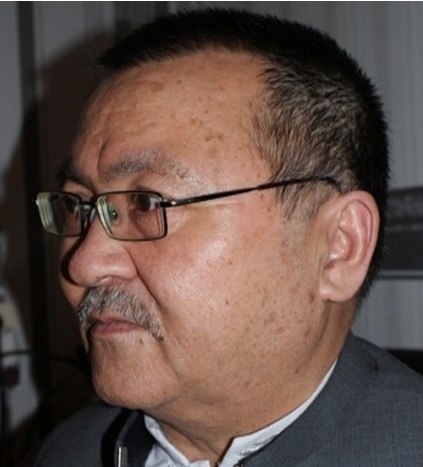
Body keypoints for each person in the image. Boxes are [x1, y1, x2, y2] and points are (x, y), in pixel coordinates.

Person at [32, 8, 422, 467]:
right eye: (79, 205)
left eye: (147, 204)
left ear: (339, 247)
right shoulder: (69, 451)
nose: (83, 264)